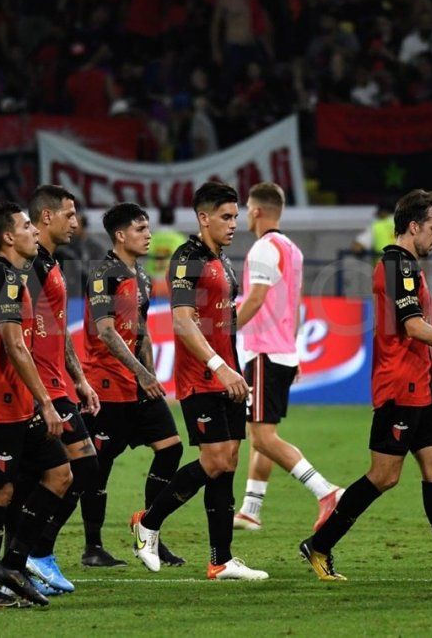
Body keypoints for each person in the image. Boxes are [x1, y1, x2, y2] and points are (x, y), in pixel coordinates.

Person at [300, 189, 432, 583]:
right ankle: (319, 544)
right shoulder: (395, 265)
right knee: (384, 475)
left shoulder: (407, 265)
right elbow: (413, 326)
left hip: (420, 383)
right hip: (399, 385)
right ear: (413, 227)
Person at [130, 181, 267, 580]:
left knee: (229, 463)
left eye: (236, 216)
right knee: (215, 460)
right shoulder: (186, 259)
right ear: (203, 218)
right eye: (226, 217)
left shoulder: (222, 261)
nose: (233, 224)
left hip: (228, 376)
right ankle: (148, 523)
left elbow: (225, 320)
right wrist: (218, 365)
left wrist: (234, 367)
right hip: (201, 377)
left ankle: (221, 559)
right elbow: (181, 321)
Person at [0, 201, 74, 610]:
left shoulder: (2, 276)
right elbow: (14, 345)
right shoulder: (5, 279)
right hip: (0, 402)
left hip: (17, 401)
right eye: (27, 226)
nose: (34, 232)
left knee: (60, 473)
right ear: (8, 236)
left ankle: (12, 564)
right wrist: (47, 402)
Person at [77, 203, 185, 568]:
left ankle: (149, 531)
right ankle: (92, 548)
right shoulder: (102, 274)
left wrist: (149, 375)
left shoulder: (141, 276)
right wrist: (142, 373)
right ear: (120, 235)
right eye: (140, 229)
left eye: (148, 228)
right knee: (98, 468)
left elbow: (140, 331)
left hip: (137, 384)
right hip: (106, 385)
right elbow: (106, 332)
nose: (148, 234)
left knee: (171, 449)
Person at [232, 182, 342, 532]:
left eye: (246, 210)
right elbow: (293, 306)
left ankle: (326, 491)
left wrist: (225, 330)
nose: (244, 216)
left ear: (256, 211)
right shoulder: (292, 250)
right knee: (263, 432)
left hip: (263, 352)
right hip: (280, 351)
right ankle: (251, 510)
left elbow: (255, 299)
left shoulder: (263, 249)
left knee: (262, 437)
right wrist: (293, 350)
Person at [16, 186, 102, 595]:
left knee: (42, 477)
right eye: (69, 214)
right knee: (81, 467)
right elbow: (12, 333)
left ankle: (22, 559)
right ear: (46, 217)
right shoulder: (30, 267)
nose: (76, 222)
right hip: (40, 389)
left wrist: (78, 377)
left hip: (57, 383)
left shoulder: (49, 262)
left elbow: (57, 326)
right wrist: (38, 393)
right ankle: (35, 553)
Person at [55, 212, 106, 295]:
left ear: (84, 226)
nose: (72, 226)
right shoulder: (63, 247)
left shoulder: (95, 248)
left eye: (76, 222)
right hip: (67, 292)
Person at [147, 206, 186, 298]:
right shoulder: (179, 238)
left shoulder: (151, 237)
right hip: (172, 283)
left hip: (153, 282)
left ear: (159, 219)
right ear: (173, 219)